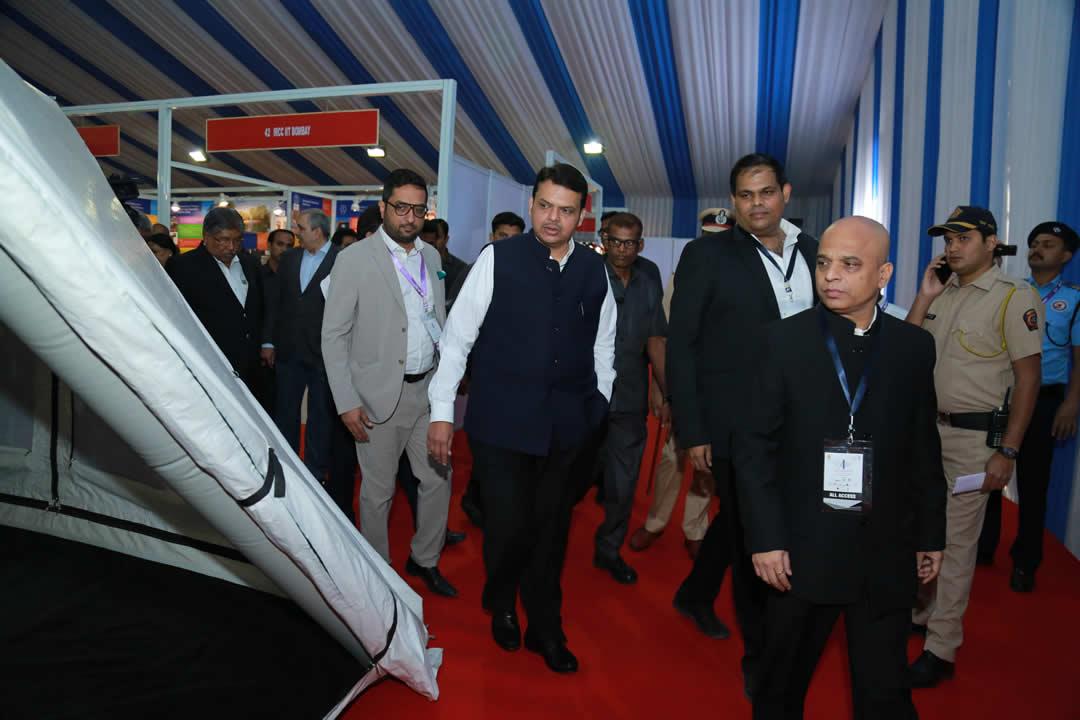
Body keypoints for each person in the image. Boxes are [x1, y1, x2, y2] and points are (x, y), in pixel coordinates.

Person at [738, 216, 945, 719]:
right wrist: (766, 539)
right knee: (780, 688)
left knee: (884, 691)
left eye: (850, 265)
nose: (831, 275)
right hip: (801, 551)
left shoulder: (913, 347)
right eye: (824, 263)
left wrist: (930, 533)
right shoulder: (781, 342)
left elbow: (923, 446)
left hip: (886, 549)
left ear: (883, 274)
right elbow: (753, 448)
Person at [427, 163, 616, 673]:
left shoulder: (593, 268)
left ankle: (545, 626)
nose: (553, 218)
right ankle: (503, 601)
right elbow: (457, 338)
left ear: (581, 216)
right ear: (531, 204)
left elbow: (604, 344)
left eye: (566, 210)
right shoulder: (497, 258)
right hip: (501, 423)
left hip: (568, 425)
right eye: (545, 206)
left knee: (552, 532)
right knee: (508, 527)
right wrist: (441, 412)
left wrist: (599, 403)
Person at [667, 153, 818, 693]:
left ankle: (694, 594)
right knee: (759, 532)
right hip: (734, 426)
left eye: (766, 192)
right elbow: (682, 347)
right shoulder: (706, 255)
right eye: (746, 195)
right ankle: (761, 660)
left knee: (741, 519)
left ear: (786, 193)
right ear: (734, 202)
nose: (757, 204)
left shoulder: (817, 252)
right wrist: (694, 430)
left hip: (804, 423)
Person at [905, 206, 1044, 687]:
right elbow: (907, 349)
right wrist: (924, 296)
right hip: (928, 433)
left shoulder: (1013, 296)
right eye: (948, 239)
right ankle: (923, 614)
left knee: (957, 543)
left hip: (974, 441)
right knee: (923, 530)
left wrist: (1008, 452)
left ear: (991, 243)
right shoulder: (944, 291)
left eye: (963, 238)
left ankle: (941, 649)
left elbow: (1029, 380)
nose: (952, 247)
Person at [321, 169, 457, 599]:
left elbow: (436, 320)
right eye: (401, 207)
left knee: (438, 479)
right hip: (379, 395)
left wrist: (446, 384)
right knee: (378, 492)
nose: (410, 217)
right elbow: (334, 335)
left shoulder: (432, 258)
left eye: (418, 209)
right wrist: (346, 400)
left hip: (427, 392)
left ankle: (425, 558)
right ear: (383, 207)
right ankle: (378, 574)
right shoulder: (354, 259)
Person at [629, 207, 732, 559]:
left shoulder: (743, 277)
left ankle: (695, 528)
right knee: (672, 456)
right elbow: (662, 331)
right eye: (709, 237)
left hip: (722, 387)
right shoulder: (685, 272)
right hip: (684, 381)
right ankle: (656, 522)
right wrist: (660, 387)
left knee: (707, 461)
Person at [982, 222, 1080, 592]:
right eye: (1034, 243)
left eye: (1048, 244)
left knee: (1033, 482)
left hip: (1044, 400)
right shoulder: (1012, 291)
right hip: (1002, 394)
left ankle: (1026, 562)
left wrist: (1071, 403)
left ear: (1067, 255)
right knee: (989, 475)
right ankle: (983, 549)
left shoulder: (1073, 299)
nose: (1037, 249)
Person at [592, 212, 668, 584]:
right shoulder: (586, 273)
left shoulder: (649, 277)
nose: (621, 250)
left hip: (631, 394)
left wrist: (664, 389)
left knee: (624, 483)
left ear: (640, 244)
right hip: (585, 394)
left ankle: (609, 550)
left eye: (630, 243)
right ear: (604, 239)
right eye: (615, 241)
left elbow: (656, 338)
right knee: (567, 479)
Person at [452, 210, 527, 527]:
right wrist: (464, 371)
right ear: (492, 237)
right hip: (485, 373)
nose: (507, 243)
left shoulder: (531, 272)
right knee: (486, 442)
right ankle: (477, 502)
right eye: (502, 236)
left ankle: (488, 501)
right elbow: (459, 326)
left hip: (520, 376)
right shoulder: (475, 270)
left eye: (514, 238)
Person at [263, 210, 339, 488]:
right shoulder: (290, 258)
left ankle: (315, 474)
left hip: (325, 354)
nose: (297, 233)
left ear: (317, 232)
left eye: (301, 228)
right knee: (285, 413)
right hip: (289, 351)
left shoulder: (342, 260)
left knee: (320, 417)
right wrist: (268, 341)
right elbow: (276, 302)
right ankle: (287, 467)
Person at [166, 207, 267, 394]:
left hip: (250, 363)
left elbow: (259, 307)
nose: (232, 247)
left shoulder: (250, 264)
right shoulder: (183, 266)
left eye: (238, 240)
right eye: (224, 240)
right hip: (210, 361)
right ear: (206, 236)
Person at [421, 218, 467, 308]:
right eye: (426, 239)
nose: (431, 242)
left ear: (446, 239)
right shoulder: (418, 264)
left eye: (437, 237)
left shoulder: (461, 269)